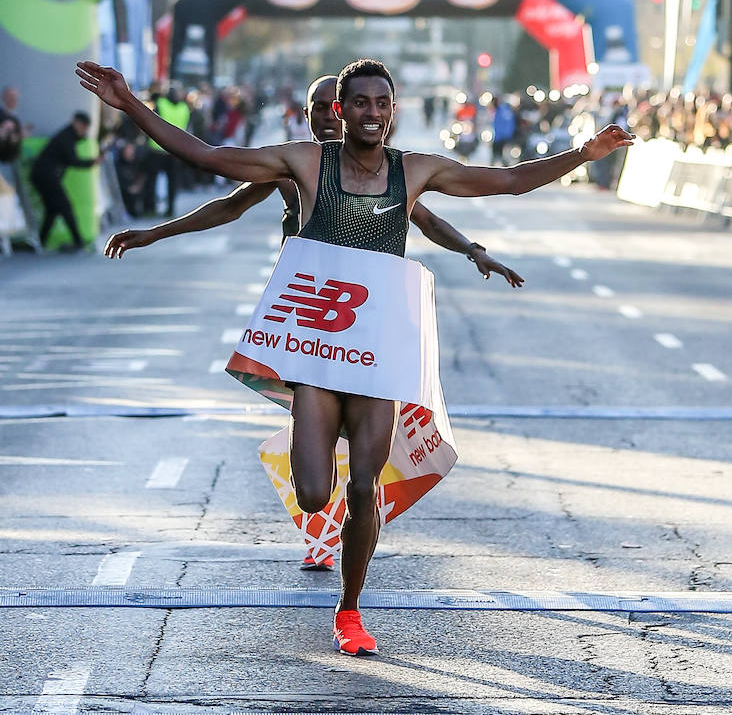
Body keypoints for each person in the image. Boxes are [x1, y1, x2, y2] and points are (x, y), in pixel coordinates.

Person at [76, 57, 633, 656]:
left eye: (382, 104)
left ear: (394, 111)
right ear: (340, 112)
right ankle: (322, 464)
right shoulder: (304, 163)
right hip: (318, 345)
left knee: (365, 484)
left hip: (379, 347)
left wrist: (584, 154)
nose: (373, 113)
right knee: (316, 494)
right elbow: (210, 158)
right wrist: (130, 105)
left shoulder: (413, 172)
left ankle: (350, 610)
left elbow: (507, 180)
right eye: (360, 103)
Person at [104, 75, 524, 572]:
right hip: (311, 326)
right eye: (322, 107)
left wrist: (474, 250)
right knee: (314, 477)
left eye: (340, 106)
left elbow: (426, 218)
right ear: (315, 114)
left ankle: (352, 552)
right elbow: (225, 197)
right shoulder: (295, 165)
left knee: (363, 471)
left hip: (371, 330)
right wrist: (156, 231)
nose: (329, 115)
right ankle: (321, 462)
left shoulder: (390, 173)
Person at [30, 111, 101, 250]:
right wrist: (93, 162)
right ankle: (78, 240)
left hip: (44, 175)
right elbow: (73, 160)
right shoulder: (66, 137)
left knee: (52, 210)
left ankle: (40, 241)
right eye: (84, 126)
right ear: (77, 123)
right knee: (65, 207)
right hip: (46, 176)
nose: (84, 130)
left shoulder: (70, 135)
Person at [144, 84, 190, 216]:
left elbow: (151, 123)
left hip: (156, 149)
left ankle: (151, 208)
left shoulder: (160, 103)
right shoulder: (184, 108)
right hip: (175, 150)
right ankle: (170, 209)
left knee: (152, 181)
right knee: (172, 181)